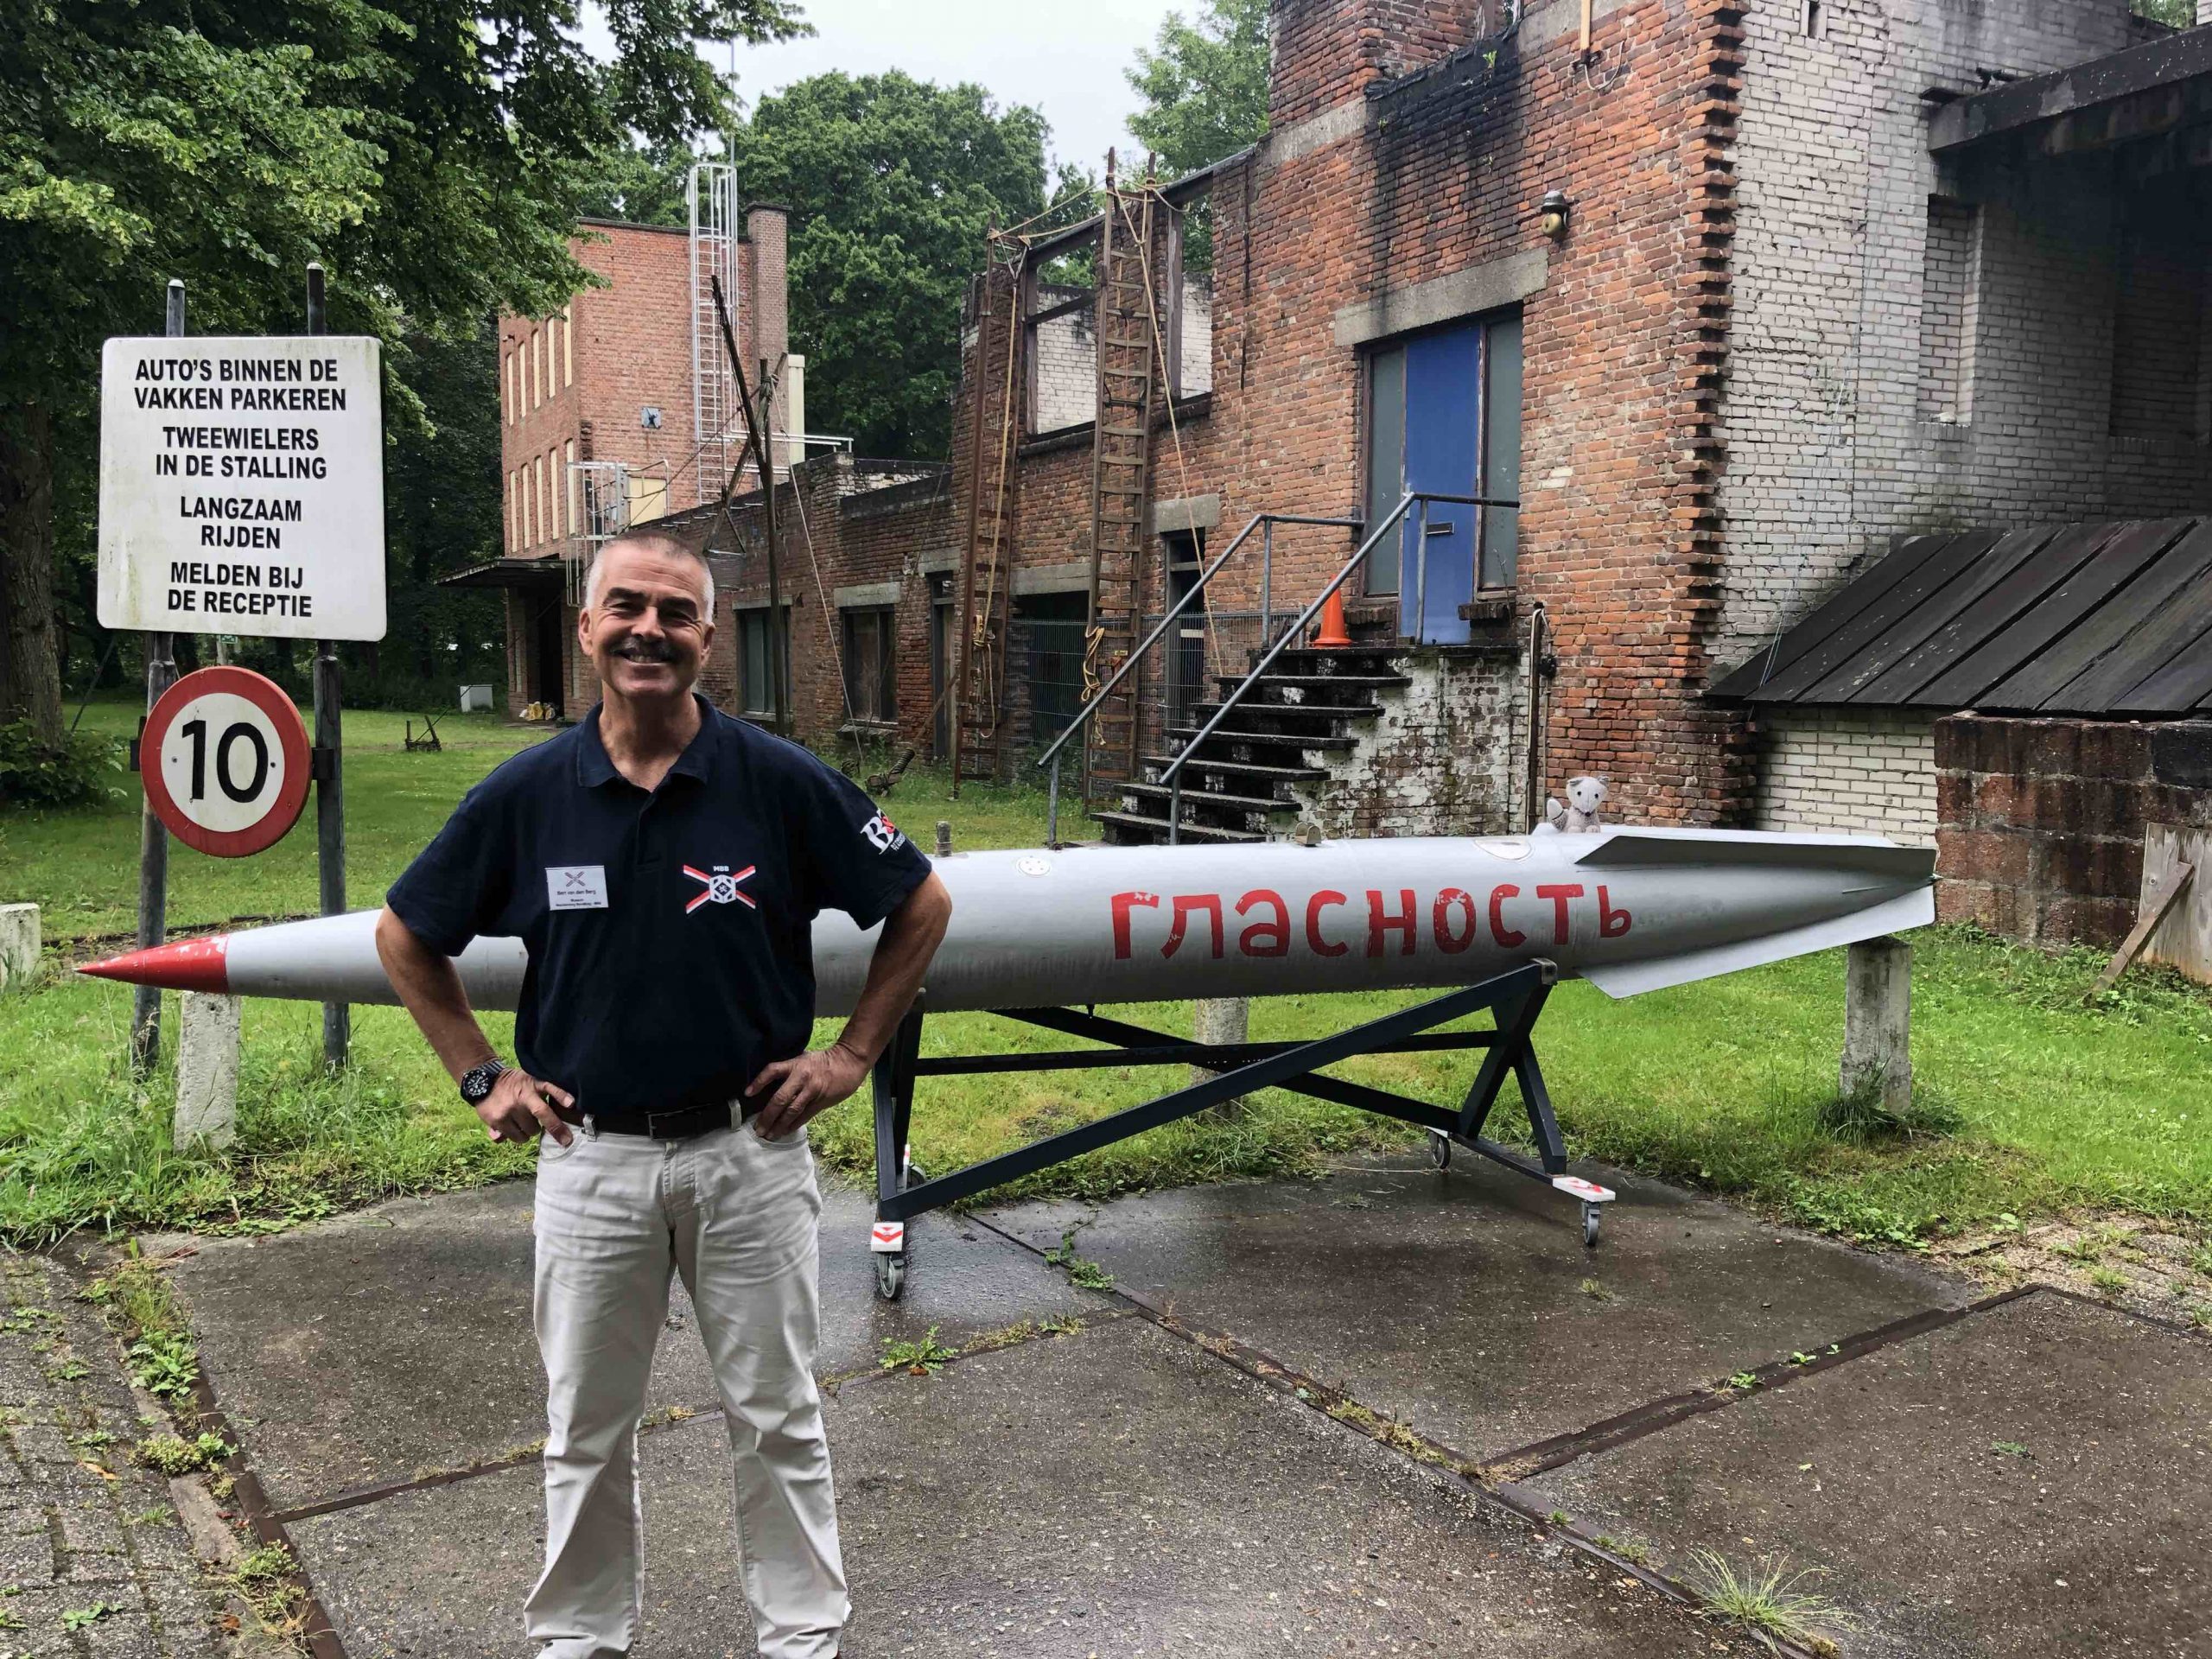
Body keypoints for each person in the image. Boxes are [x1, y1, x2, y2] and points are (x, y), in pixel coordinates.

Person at [375, 530, 951, 1659]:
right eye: (625, 607)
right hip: (592, 1162)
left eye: (676, 613)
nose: (650, 630)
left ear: (706, 640)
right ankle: (582, 1641)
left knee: (779, 1419)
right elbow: (406, 934)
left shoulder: (776, 783)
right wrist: (481, 1075)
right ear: (588, 628)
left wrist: (848, 1056)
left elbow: (919, 904)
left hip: (750, 1157)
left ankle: (800, 1639)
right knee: (584, 1433)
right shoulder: (531, 795)